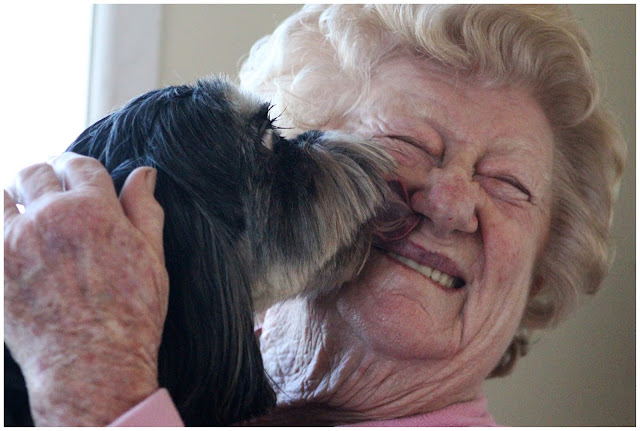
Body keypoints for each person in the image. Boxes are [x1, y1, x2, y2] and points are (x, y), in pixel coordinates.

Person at [3, 4, 626, 426]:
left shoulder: (96, 368)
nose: (451, 204)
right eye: (408, 144)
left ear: (539, 275)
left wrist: (93, 382)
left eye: (507, 185)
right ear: (286, 164)